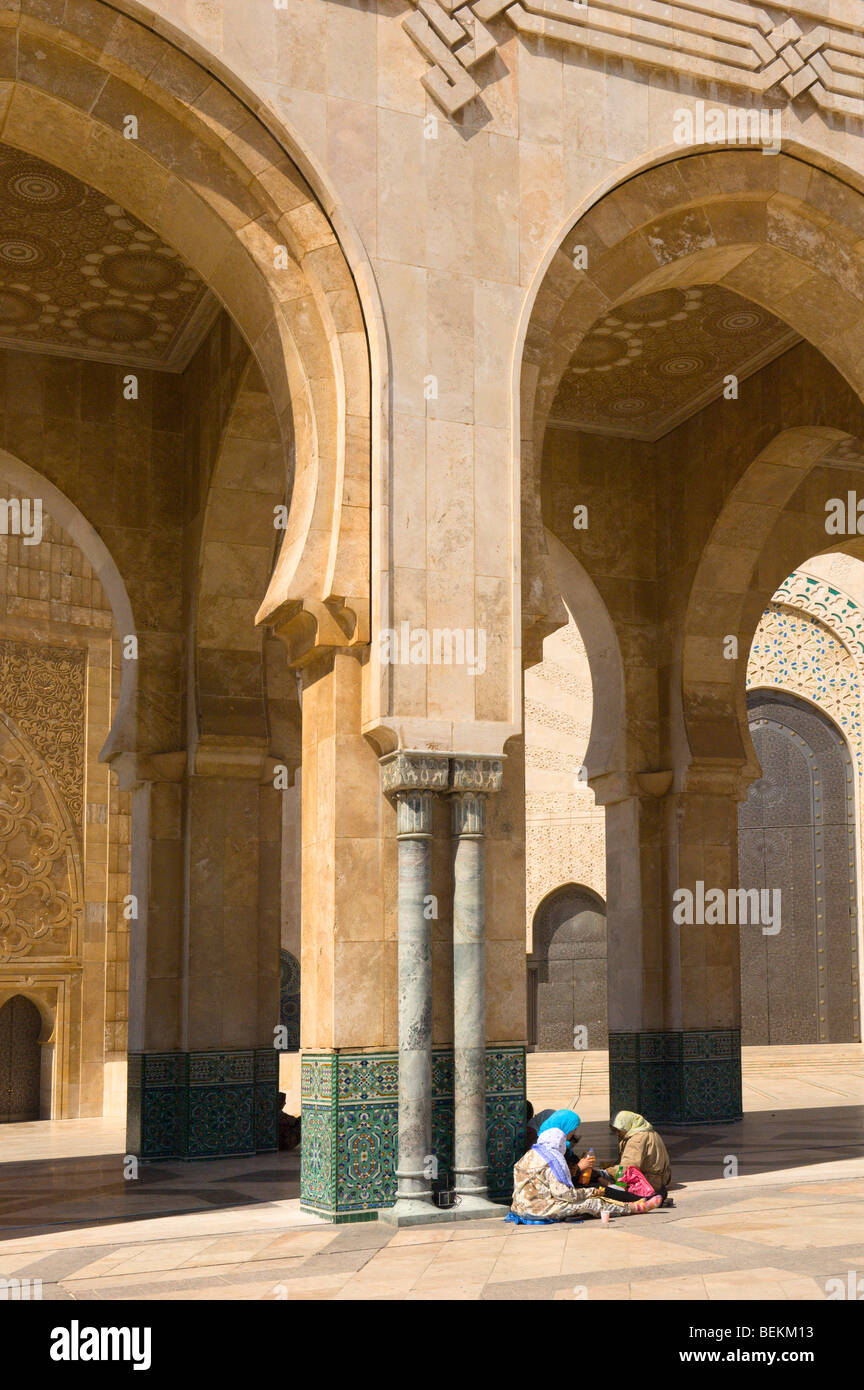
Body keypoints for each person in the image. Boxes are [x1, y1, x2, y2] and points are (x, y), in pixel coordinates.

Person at [509, 1123, 663, 1223]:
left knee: (590, 1196)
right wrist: (591, 1192)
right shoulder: (552, 1160)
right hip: (537, 1209)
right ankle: (634, 1208)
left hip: (519, 1207)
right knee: (592, 1203)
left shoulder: (530, 1155)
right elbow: (563, 1194)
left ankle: (632, 1203)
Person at [609, 1110, 672, 1197]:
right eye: (614, 1130)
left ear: (626, 1125)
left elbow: (627, 1167)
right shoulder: (649, 1131)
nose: (617, 1134)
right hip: (663, 1178)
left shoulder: (637, 1139)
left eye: (619, 1130)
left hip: (650, 1181)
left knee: (604, 1184)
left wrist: (608, 1172)